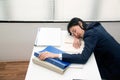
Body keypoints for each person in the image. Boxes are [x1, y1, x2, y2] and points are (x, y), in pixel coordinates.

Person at [39, 17, 120, 80]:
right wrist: (77, 36)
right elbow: (87, 34)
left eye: (74, 30)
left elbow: (83, 58)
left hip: (114, 68)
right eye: (72, 33)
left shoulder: (91, 34)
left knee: (80, 73)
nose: (75, 34)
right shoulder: (94, 25)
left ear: (80, 23)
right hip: (115, 57)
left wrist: (54, 55)